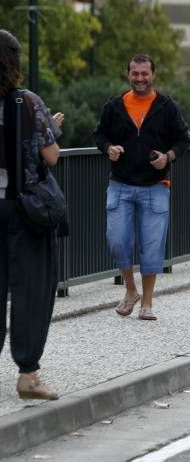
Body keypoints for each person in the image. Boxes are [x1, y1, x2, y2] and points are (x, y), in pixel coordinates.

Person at [94, 55, 190, 320]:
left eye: (144, 73)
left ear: (153, 75)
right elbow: (99, 135)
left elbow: (183, 140)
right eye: (135, 73)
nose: (139, 78)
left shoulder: (167, 107)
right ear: (128, 75)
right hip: (120, 185)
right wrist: (108, 148)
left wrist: (168, 157)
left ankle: (147, 303)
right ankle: (130, 290)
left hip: (155, 186)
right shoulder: (114, 106)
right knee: (117, 240)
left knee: (152, 246)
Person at [0, 29, 63, 400]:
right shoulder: (27, 103)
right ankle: (28, 375)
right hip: (24, 210)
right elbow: (50, 156)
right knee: (31, 291)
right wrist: (51, 129)